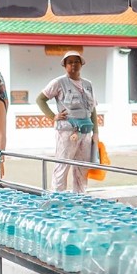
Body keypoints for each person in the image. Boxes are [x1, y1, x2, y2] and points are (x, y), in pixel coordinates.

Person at [36, 51, 100, 193]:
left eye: (76, 61)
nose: (73, 65)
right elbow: (40, 99)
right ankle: (58, 199)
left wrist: (96, 132)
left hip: (85, 132)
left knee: (82, 168)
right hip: (66, 131)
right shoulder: (58, 83)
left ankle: (80, 197)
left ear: (81, 64)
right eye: (69, 62)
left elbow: (93, 109)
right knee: (62, 166)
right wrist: (53, 116)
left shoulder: (88, 84)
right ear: (65, 66)